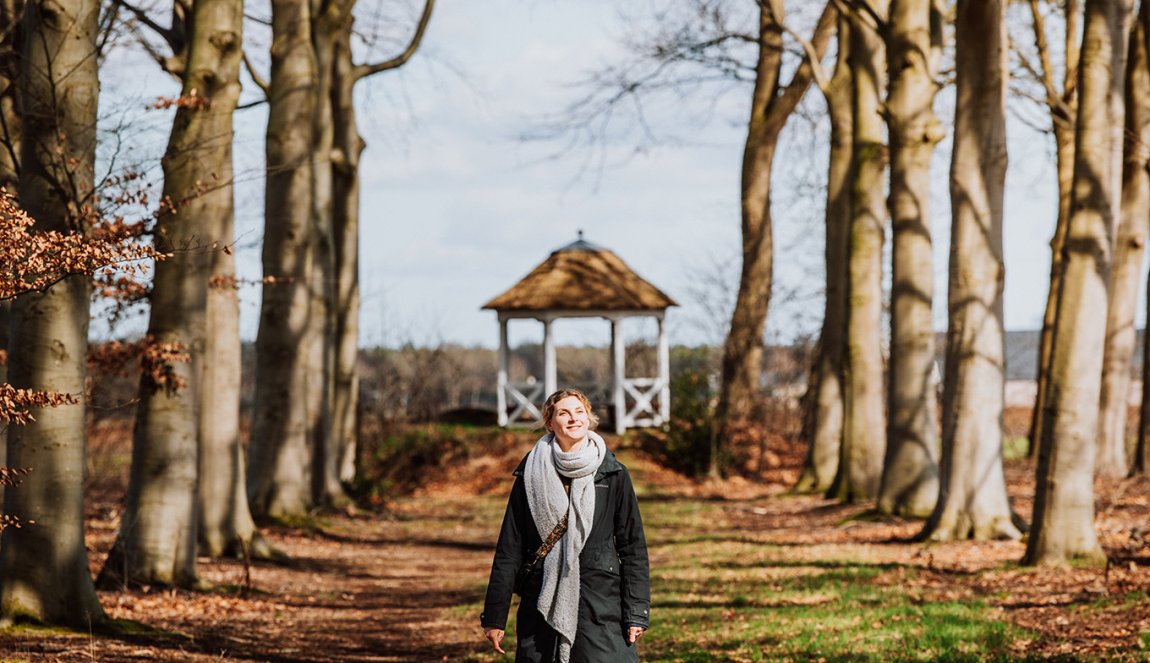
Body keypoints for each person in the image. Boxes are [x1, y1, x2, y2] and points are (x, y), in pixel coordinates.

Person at [480, 388, 651, 662]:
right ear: (550, 423)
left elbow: (632, 547)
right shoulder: (529, 475)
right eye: (564, 413)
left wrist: (637, 612)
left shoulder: (613, 473)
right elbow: (510, 549)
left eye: (579, 411)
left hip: (601, 606)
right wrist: (495, 616)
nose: (573, 419)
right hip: (540, 604)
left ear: (589, 418)